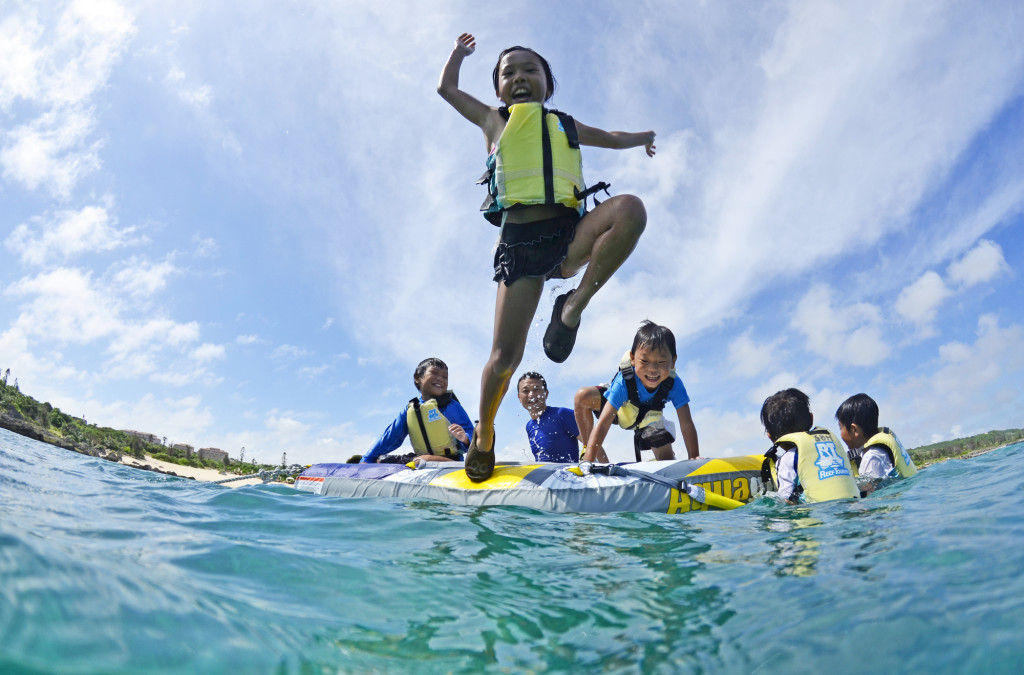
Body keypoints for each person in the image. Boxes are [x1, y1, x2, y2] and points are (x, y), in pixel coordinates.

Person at [437, 33, 656, 481]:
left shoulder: (566, 125)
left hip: (569, 235)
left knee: (630, 209)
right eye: (508, 73)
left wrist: (642, 138)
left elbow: (611, 138)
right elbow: (447, 90)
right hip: (521, 245)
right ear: (498, 88)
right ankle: (484, 436)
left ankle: (571, 307)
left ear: (547, 83)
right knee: (504, 359)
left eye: (529, 70)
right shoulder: (493, 120)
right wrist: (458, 55)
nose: (519, 77)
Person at [580, 321, 699, 463]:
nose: (653, 369)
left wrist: (694, 457)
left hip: (649, 421)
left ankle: (655, 462)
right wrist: (589, 462)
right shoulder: (623, 382)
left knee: (667, 462)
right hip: (622, 411)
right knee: (582, 396)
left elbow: (686, 423)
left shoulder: (674, 383)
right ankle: (591, 457)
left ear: (673, 362)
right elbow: (603, 423)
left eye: (661, 362)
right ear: (632, 359)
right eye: (644, 361)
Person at [360, 358, 474, 463]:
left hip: (450, 461)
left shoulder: (450, 406)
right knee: (380, 460)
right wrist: (367, 459)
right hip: (421, 461)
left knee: (422, 459)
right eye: (434, 373)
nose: (440, 378)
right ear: (417, 378)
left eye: (445, 377)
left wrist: (465, 439)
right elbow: (390, 437)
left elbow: (472, 436)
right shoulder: (410, 409)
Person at [760, 388, 859, 504]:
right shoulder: (830, 445)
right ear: (811, 419)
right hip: (854, 505)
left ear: (770, 435)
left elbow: (785, 502)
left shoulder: (788, 460)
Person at [835, 393, 917, 494]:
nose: (840, 434)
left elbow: (872, 498)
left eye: (840, 428)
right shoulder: (878, 450)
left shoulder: (871, 457)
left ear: (854, 429)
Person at [517, 371, 581, 463]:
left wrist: (607, 473)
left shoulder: (562, 414)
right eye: (525, 391)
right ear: (519, 397)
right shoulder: (529, 426)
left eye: (536, 389)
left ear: (546, 394)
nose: (531, 395)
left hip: (569, 476)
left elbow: (594, 445)